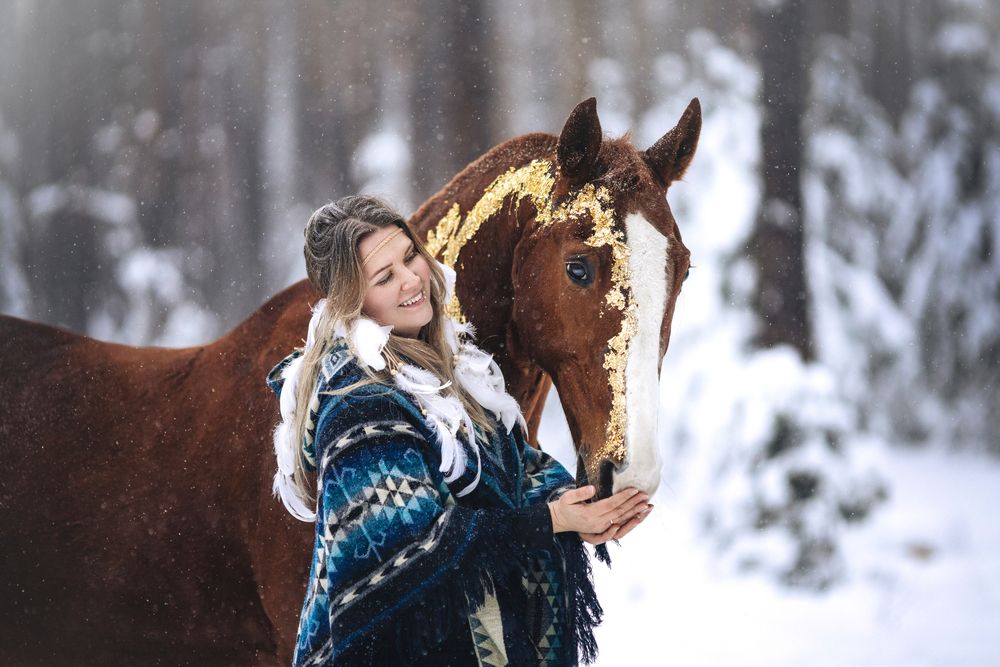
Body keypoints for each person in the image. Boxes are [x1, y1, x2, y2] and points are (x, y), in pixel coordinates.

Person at [266, 195, 652, 666]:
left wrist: (585, 505)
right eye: (385, 277)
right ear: (353, 303)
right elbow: (411, 556)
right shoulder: (359, 403)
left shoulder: (450, 366)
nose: (412, 280)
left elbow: (514, 473)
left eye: (410, 256)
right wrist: (553, 520)